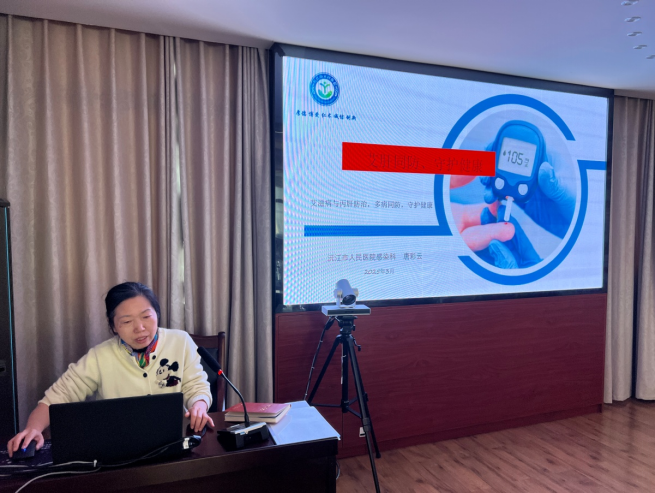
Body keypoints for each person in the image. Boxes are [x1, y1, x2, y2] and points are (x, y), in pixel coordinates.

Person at [7, 282, 214, 457]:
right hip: (120, 452)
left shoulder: (180, 341)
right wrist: (33, 428)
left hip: (174, 446)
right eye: (127, 321)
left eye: (146, 316)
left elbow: (196, 385)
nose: (139, 328)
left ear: (157, 314)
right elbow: (58, 395)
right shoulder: (100, 356)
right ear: (113, 326)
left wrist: (199, 405)